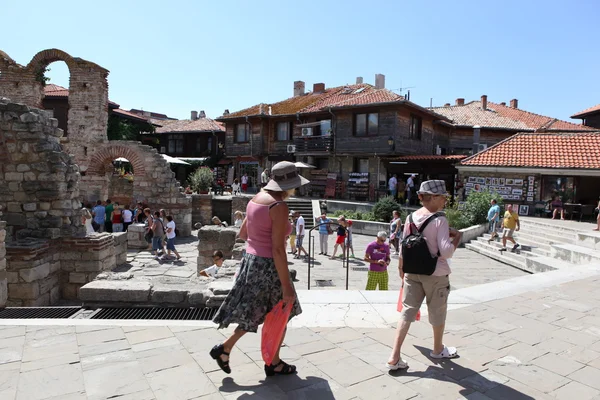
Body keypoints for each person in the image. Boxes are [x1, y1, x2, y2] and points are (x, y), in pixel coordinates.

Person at [210, 160, 309, 377]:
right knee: (284, 310)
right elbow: (278, 250)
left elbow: (243, 234)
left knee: (255, 313)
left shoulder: (255, 199)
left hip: (251, 261)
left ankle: (225, 348)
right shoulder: (278, 206)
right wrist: (287, 286)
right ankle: (273, 362)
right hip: (269, 266)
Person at [387, 180, 462, 370]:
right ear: (434, 198)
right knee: (438, 312)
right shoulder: (440, 220)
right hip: (436, 274)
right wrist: (458, 238)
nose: (445, 201)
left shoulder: (410, 217)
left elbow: (404, 245)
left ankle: (394, 355)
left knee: (407, 311)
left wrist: (401, 269)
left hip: (412, 272)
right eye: (443, 197)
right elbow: (446, 252)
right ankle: (437, 349)